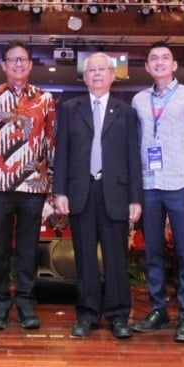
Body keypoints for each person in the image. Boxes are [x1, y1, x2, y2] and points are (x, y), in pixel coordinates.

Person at [53, 52, 142, 340]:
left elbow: (133, 156)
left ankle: (118, 315)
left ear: (113, 75)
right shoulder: (69, 109)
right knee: (85, 257)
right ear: (84, 76)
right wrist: (60, 191)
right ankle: (88, 314)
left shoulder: (126, 112)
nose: (97, 74)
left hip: (115, 191)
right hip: (81, 191)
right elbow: (62, 152)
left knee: (116, 257)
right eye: (91, 70)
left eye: (102, 69)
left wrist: (135, 198)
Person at [0, 40, 56, 331]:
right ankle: (0, 304)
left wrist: (52, 183)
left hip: (34, 184)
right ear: (4, 65)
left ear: (30, 65)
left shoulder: (45, 99)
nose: (18, 64)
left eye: (23, 60)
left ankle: (27, 303)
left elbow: (51, 142)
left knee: (29, 248)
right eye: (12, 60)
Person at [130, 42, 184, 343]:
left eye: (165, 58)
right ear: (148, 67)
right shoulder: (139, 100)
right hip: (149, 185)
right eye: (154, 59)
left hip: (181, 184)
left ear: (175, 65)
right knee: (151, 251)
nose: (160, 62)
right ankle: (158, 309)